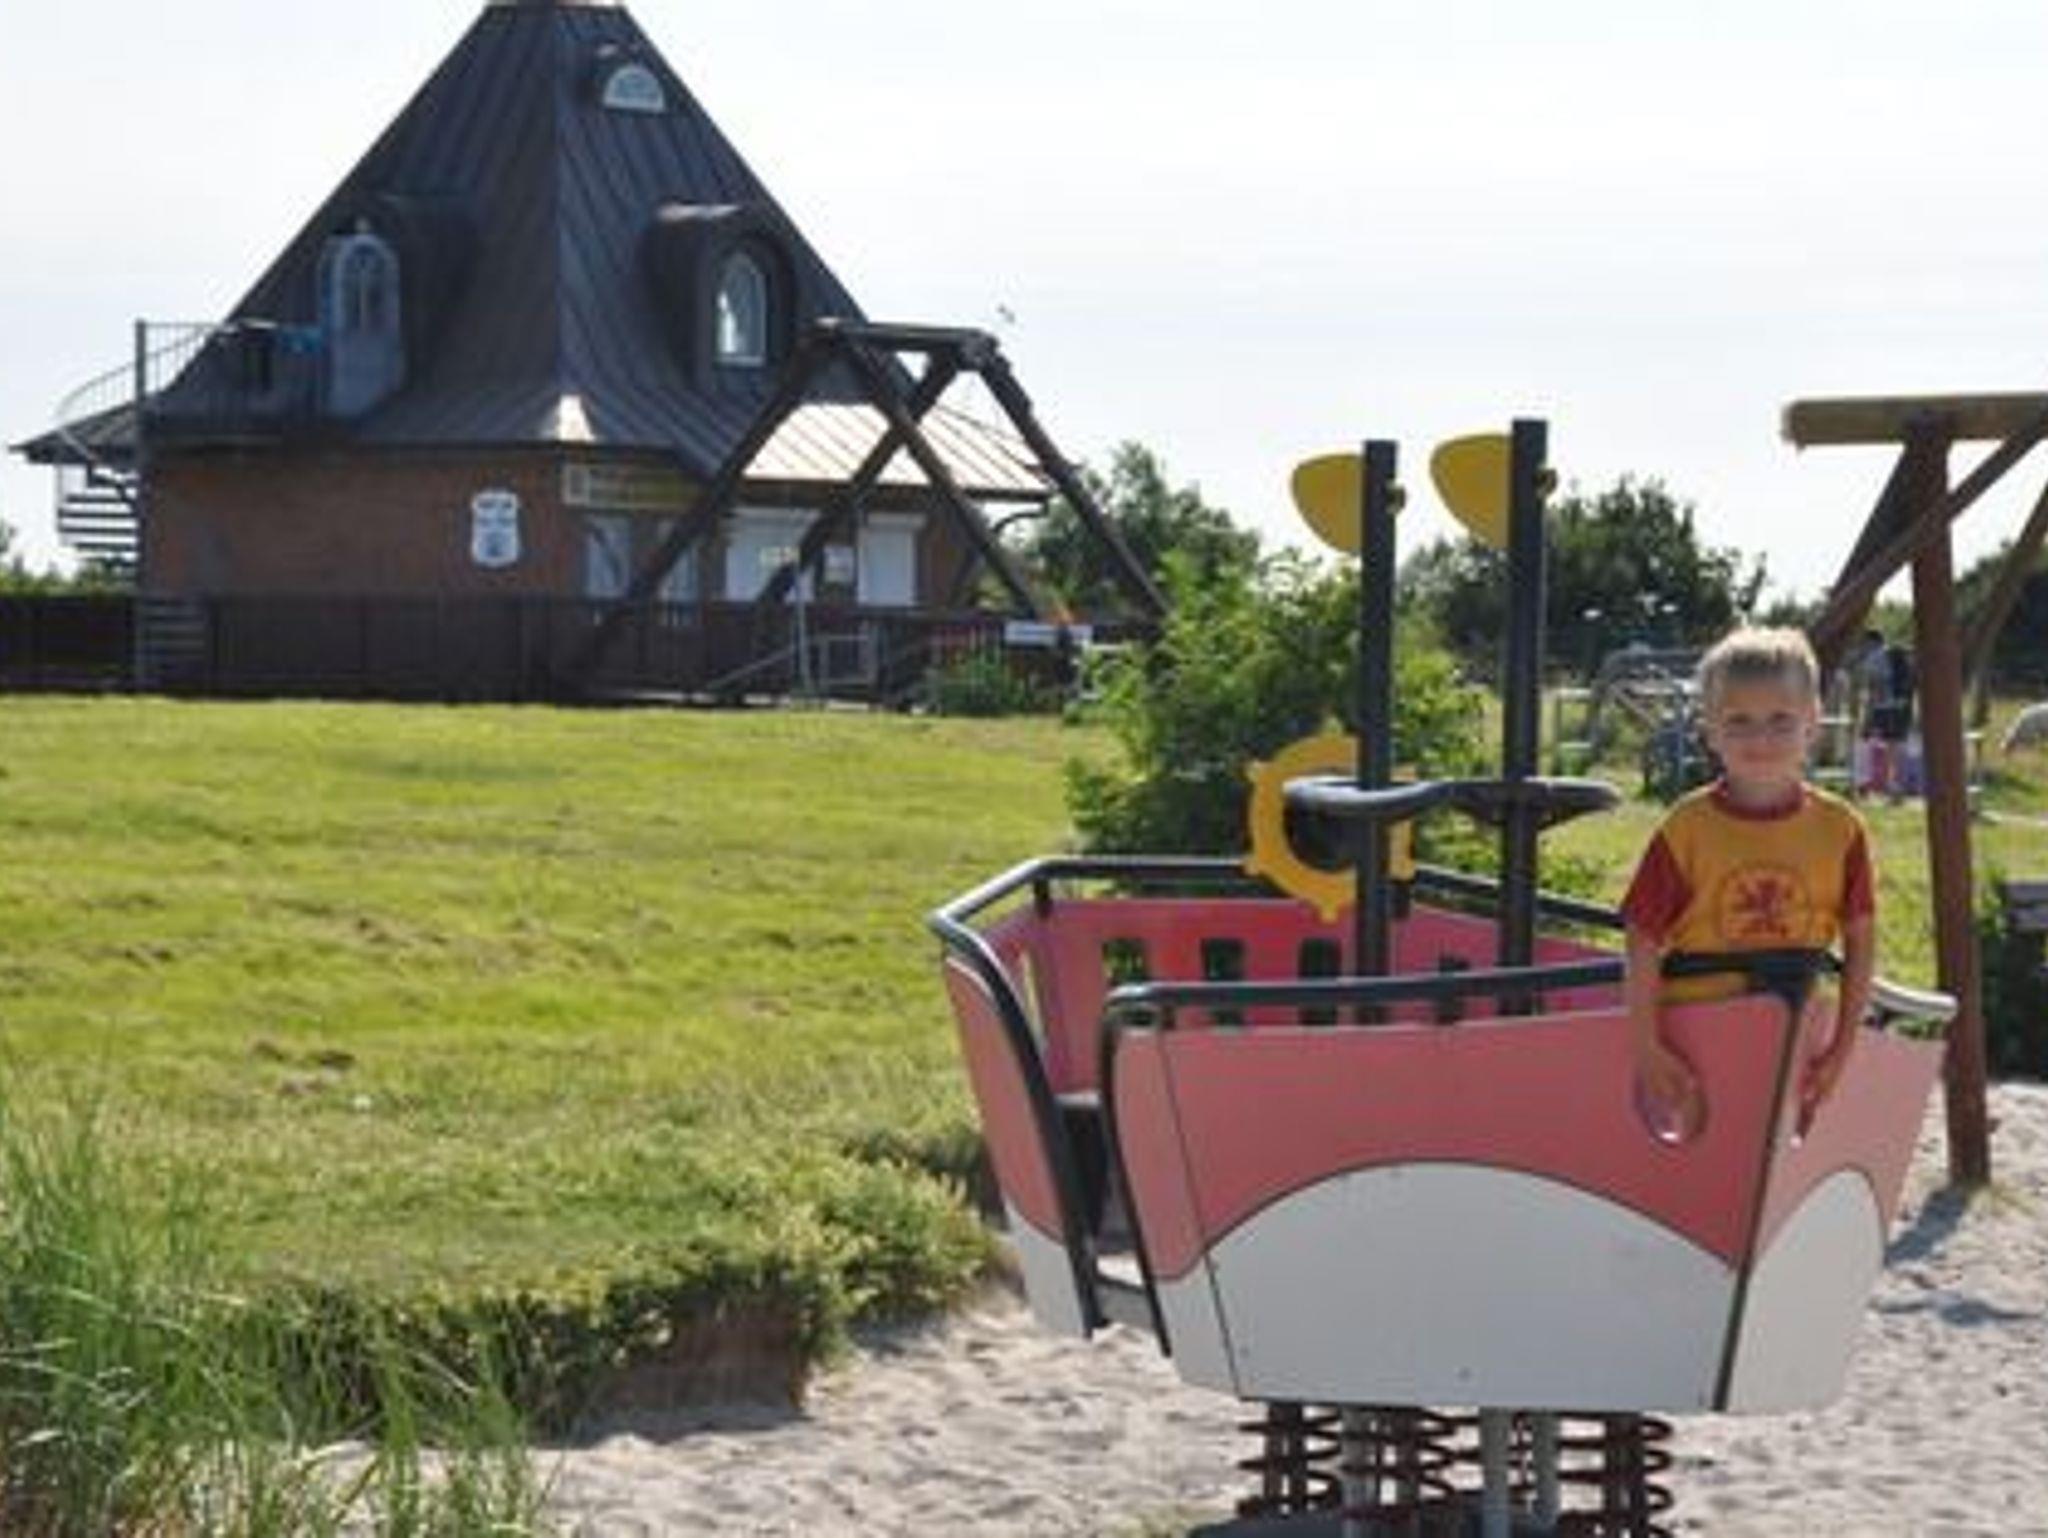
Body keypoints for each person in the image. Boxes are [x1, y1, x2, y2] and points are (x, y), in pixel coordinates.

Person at [1622, 626, 1877, 1125]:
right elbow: (1641, 938)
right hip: (1697, 1031)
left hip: (1792, 1030)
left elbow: (1861, 941)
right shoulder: (1688, 826)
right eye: (1739, 721)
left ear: (1812, 722)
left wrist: (1843, 1046)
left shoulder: (1840, 830)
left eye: (1780, 720)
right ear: (1710, 730)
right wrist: (1646, 1044)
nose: (1761, 739)